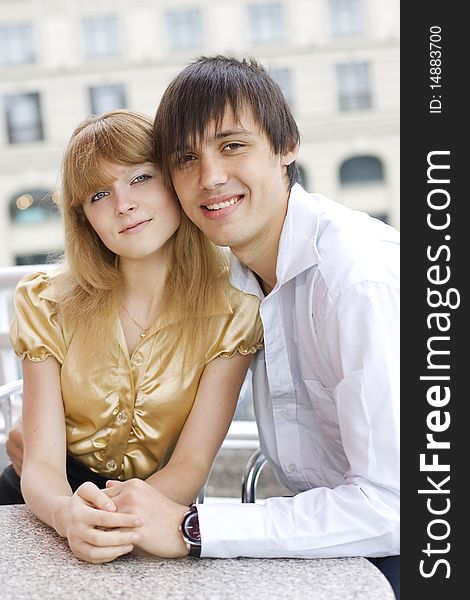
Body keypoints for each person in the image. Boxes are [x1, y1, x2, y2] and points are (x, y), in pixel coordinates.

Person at [101, 56, 401, 597]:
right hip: (325, 547)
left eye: (233, 145)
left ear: (287, 146)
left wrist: (195, 526)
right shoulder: (235, 280)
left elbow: (395, 506)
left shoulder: (354, 277)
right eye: (186, 158)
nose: (210, 177)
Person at [0, 109, 263, 564]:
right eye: (99, 194)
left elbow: (191, 465)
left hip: (158, 511)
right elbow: (40, 463)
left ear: (175, 182)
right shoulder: (45, 301)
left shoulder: (236, 307)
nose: (123, 204)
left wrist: (113, 520)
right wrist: (68, 515)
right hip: (40, 512)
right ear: (85, 220)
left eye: (140, 178)